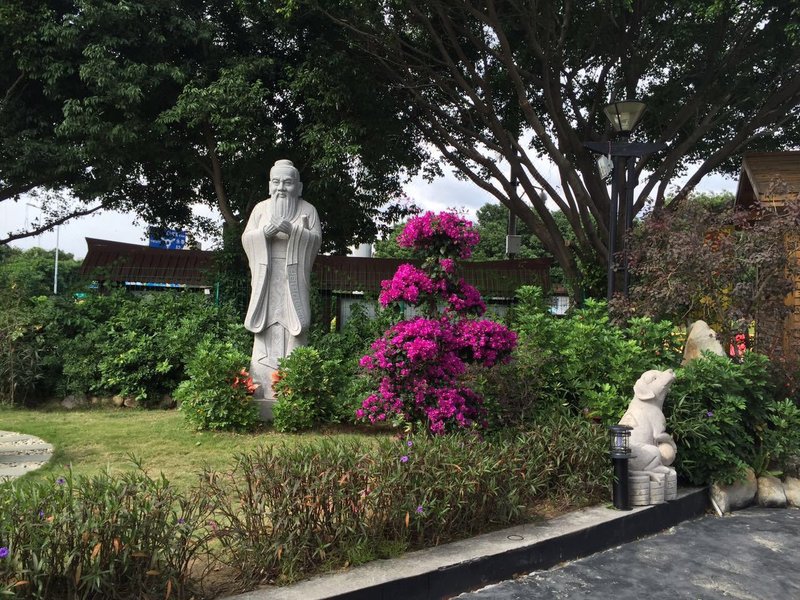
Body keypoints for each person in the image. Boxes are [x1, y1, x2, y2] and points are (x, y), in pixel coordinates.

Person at [242, 159, 322, 399]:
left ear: (298, 187)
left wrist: (294, 232)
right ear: (269, 185)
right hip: (266, 277)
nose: (281, 188)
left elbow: (315, 241)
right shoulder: (260, 209)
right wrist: (263, 234)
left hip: (293, 277)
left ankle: (293, 386)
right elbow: (247, 239)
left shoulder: (308, 210)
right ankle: (261, 384)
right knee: (265, 324)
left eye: (287, 183)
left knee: (294, 326)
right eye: (276, 182)